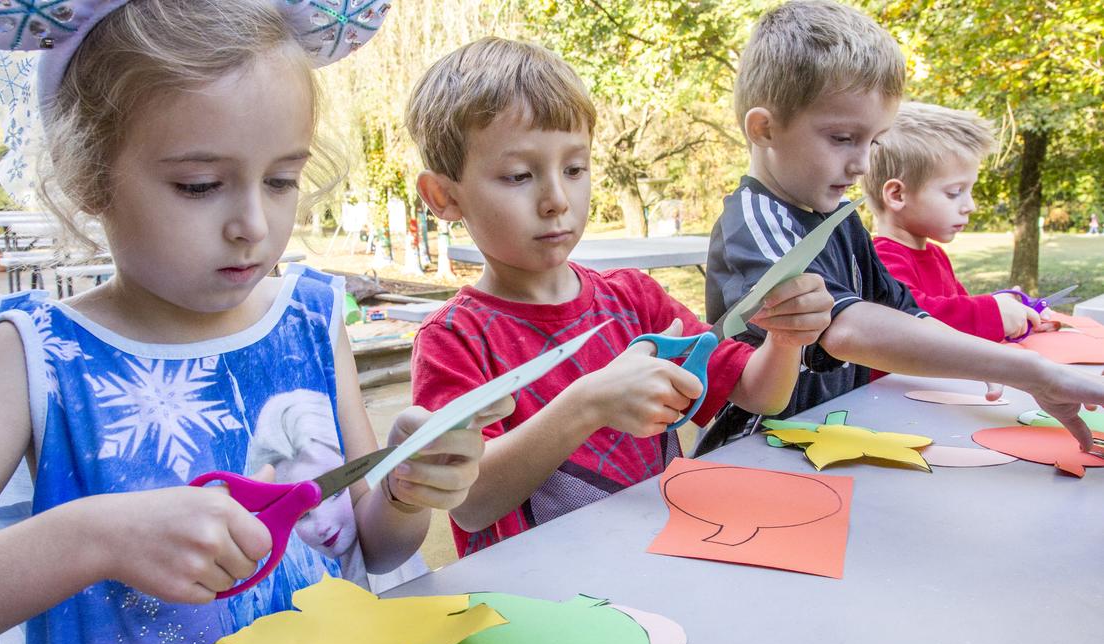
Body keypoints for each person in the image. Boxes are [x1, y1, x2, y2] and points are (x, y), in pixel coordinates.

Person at [0, 0, 508, 644]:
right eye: (199, 185)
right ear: (89, 178)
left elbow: (379, 548)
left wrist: (408, 487)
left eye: (282, 180)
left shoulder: (310, 319)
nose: (254, 226)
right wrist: (91, 537)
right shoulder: (34, 355)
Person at [404, 37, 834, 557]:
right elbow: (471, 503)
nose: (556, 200)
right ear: (444, 197)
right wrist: (591, 401)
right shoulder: (455, 338)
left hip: (661, 567)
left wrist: (786, 341)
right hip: (542, 607)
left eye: (575, 169)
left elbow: (758, 393)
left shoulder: (633, 300)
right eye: (519, 175)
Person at [698, 0, 1104, 455]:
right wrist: (1026, 369)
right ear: (765, 130)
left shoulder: (839, 217)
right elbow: (845, 328)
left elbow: (902, 309)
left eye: (873, 140)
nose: (862, 163)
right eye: (842, 138)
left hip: (836, 432)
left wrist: (977, 358)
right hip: (758, 452)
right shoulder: (756, 220)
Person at [864, 101, 1054, 344]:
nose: (970, 206)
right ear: (897, 195)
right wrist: (994, 313)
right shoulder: (882, 259)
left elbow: (960, 315)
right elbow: (912, 317)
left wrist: (1016, 314)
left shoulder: (936, 256)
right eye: (954, 192)